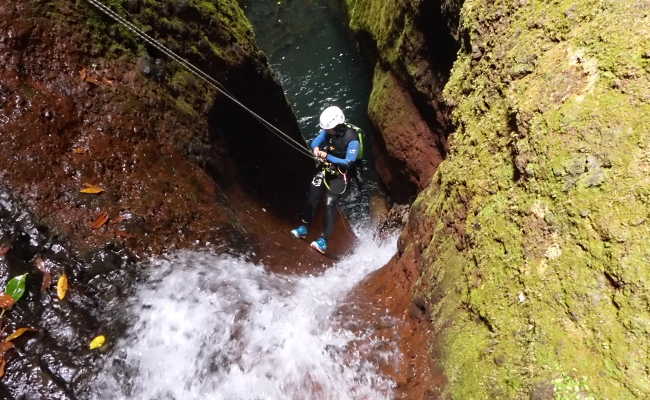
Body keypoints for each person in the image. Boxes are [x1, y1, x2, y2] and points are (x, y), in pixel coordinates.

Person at [290, 105, 361, 254]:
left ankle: (323, 241)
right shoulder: (328, 132)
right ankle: (304, 227)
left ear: (336, 125)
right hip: (326, 169)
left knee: (330, 202)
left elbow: (349, 161)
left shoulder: (352, 138)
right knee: (313, 194)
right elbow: (315, 142)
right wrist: (316, 149)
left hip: (341, 174)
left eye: (328, 128)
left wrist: (327, 156)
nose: (326, 130)